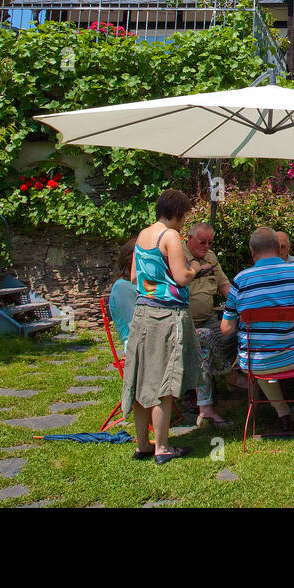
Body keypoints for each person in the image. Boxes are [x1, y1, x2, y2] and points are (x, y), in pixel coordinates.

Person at [121, 189, 201, 463]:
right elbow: (180, 277)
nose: (183, 222)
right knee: (163, 383)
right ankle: (163, 447)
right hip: (166, 315)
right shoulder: (171, 236)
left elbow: (133, 276)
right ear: (177, 213)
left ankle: (143, 444)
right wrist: (194, 270)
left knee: (142, 379)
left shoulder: (143, 235)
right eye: (184, 216)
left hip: (142, 312)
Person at [221, 226, 294, 435]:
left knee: (262, 364)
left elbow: (226, 328)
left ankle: (283, 414)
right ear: (278, 248)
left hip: (255, 361)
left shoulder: (240, 280)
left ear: (252, 250)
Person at [183, 221, 234, 428]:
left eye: (210, 243)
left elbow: (224, 285)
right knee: (203, 346)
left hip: (209, 318)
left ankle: (223, 379)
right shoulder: (179, 258)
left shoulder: (211, 257)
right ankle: (228, 377)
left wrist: (241, 305)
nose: (206, 246)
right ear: (189, 239)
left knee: (232, 335)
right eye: (202, 242)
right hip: (187, 321)